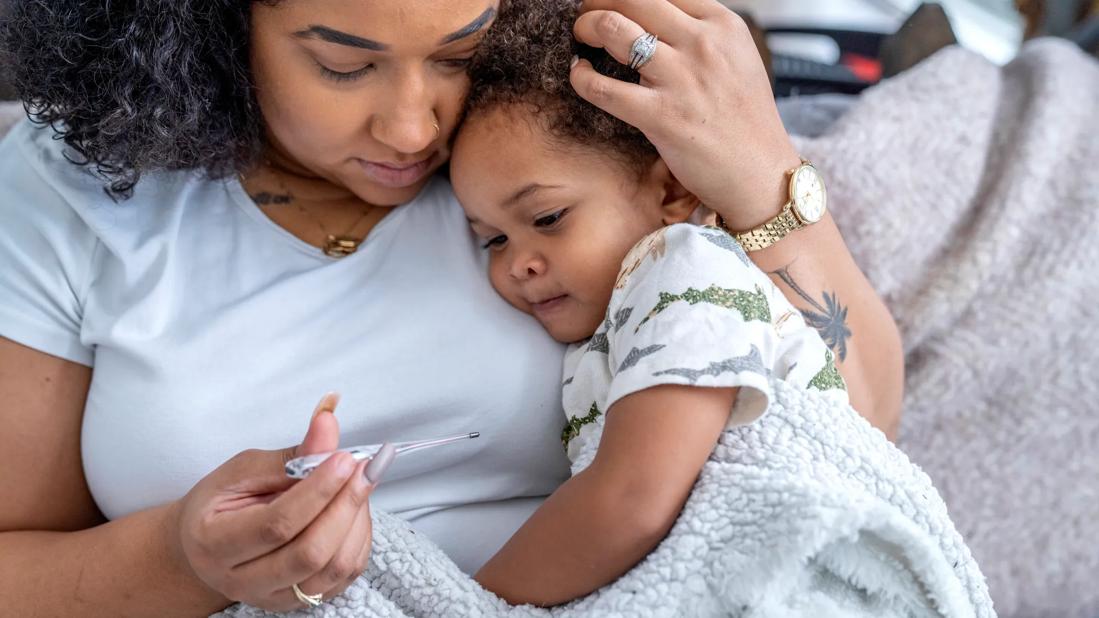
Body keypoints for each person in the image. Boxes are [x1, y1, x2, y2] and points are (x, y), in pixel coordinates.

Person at [0, 0, 903, 613]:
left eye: (457, 55)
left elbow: (849, 438)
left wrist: (760, 169)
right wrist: (182, 560)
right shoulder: (72, 189)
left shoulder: (561, 125)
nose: (413, 129)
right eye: (342, 65)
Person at [448, 1, 849, 604]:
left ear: (671, 190)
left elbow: (632, 502)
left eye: (548, 218)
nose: (517, 263)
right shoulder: (614, 317)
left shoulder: (681, 270)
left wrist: (465, 602)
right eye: (494, 239)